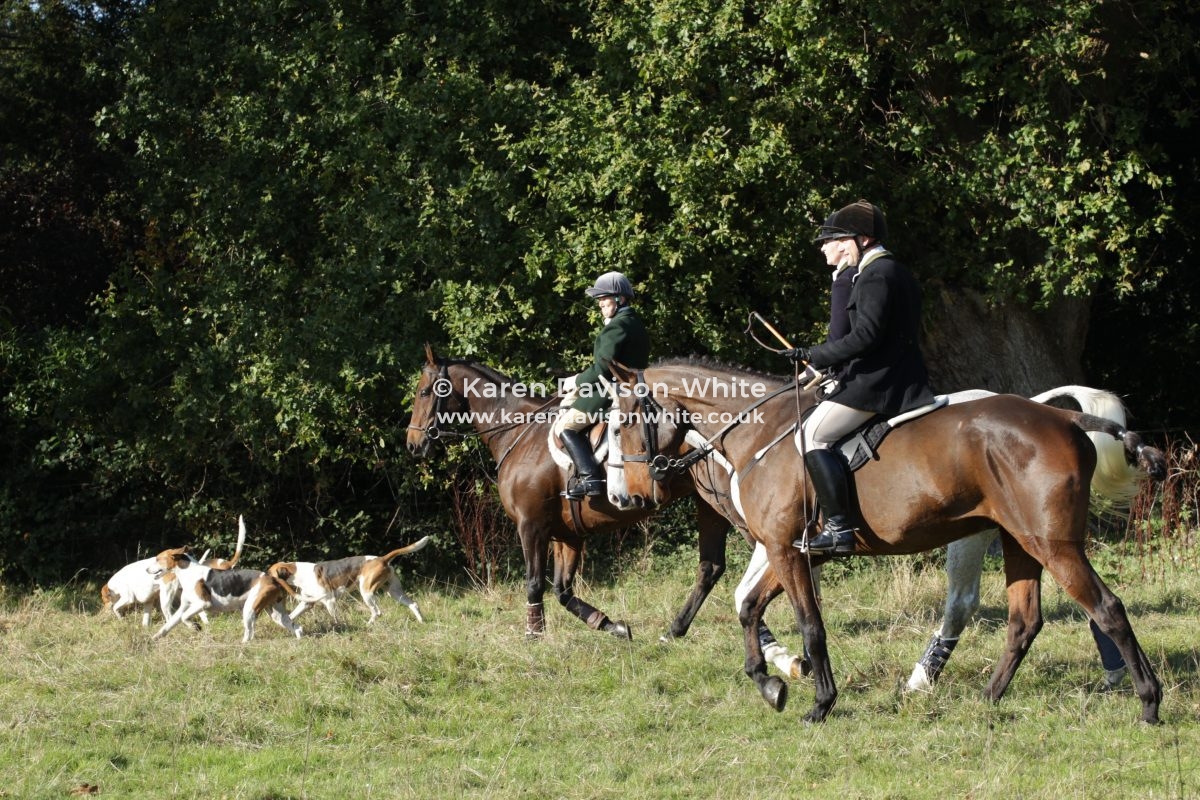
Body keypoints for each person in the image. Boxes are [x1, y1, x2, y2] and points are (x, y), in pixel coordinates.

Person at [786, 200, 936, 553]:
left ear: (862, 239)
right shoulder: (891, 270)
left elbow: (865, 337)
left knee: (810, 436)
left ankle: (839, 528)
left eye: (838, 240)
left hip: (878, 383)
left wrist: (814, 354)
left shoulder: (876, 274)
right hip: (891, 374)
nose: (832, 247)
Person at [553, 271, 650, 500]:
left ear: (620, 299)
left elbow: (603, 369)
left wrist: (575, 381)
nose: (600, 304)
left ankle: (591, 479)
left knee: (565, 426)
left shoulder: (617, 326)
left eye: (604, 298)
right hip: (632, 387)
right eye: (599, 300)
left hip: (610, 391)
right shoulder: (635, 322)